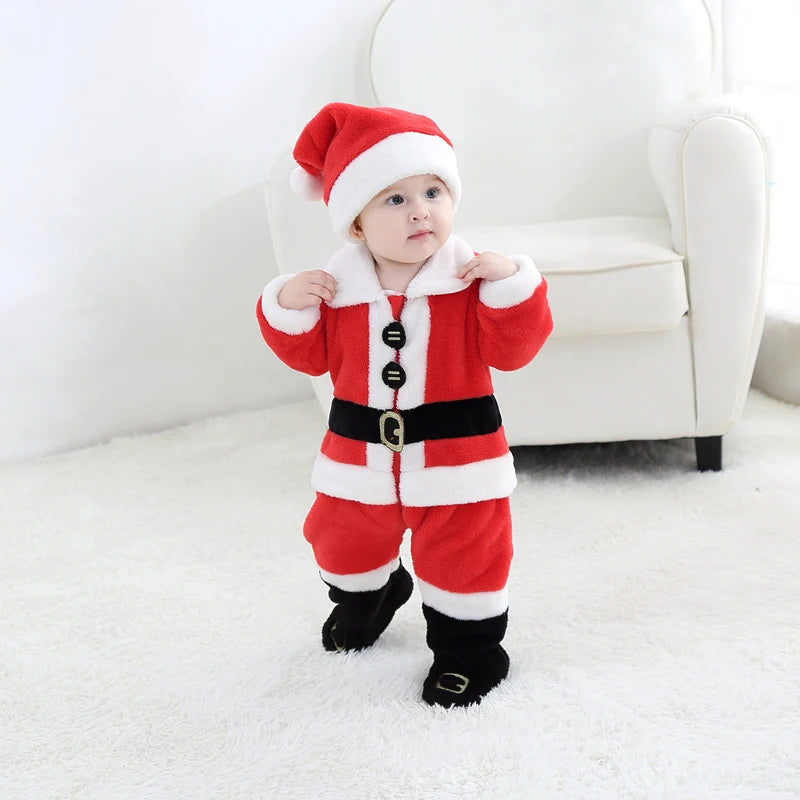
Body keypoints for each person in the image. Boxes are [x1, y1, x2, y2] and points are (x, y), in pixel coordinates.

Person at [257, 102, 553, 707]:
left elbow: (516, 350)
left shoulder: (471, 282)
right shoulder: (339, 293)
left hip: (459, 462)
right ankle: (370, 594)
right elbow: (308, 356)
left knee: (466, 559)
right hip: (357, 461)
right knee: (338, 544)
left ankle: (468, 653)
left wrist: (511, 287)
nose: (421, 210)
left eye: (433, 191)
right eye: (394, 199)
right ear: (357, 226)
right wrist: (287, 303)